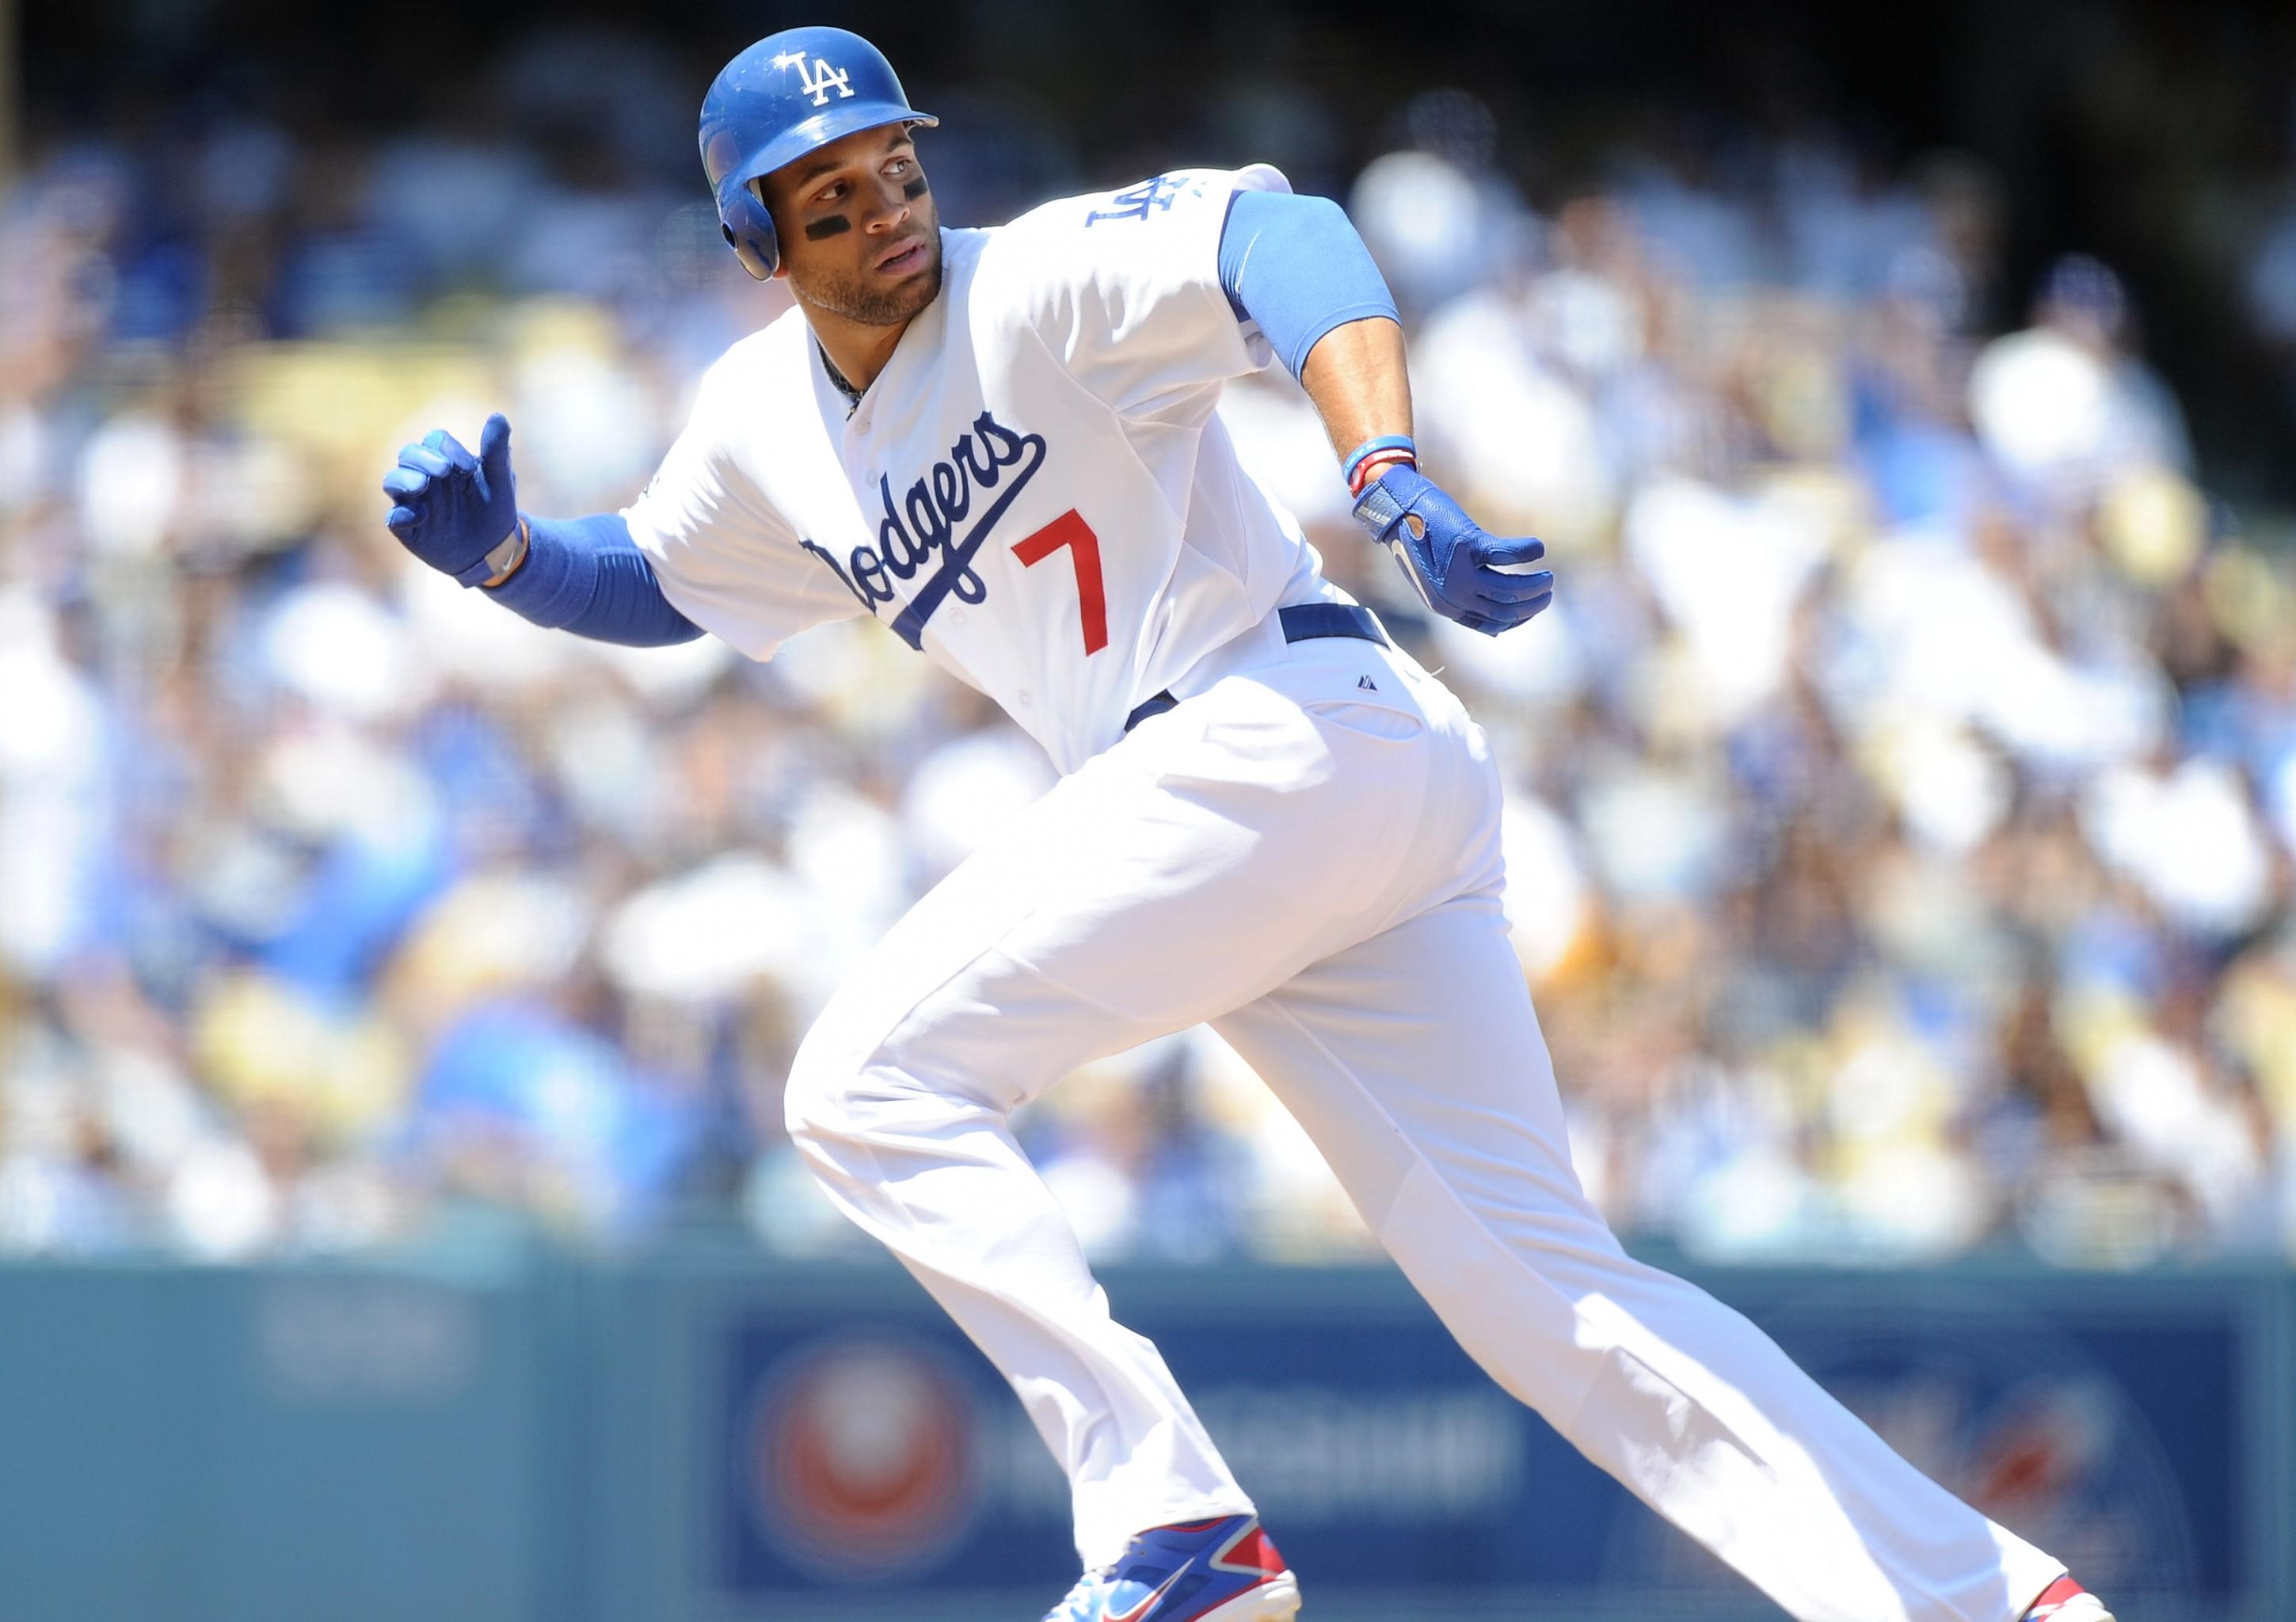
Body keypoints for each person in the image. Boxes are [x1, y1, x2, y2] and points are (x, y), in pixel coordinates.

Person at [379, 26, 2116, 1622]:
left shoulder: (1033, 283)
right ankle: (1992, 1603)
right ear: (758, 245)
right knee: (1553, 1311)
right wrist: (520, 566)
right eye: (828, 200)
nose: (883, 212)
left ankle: (1172, 1530)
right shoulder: (760, 424)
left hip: (1273, 734)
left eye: (897, 169)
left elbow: (1286, 244)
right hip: (1287, 816)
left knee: (862, 1085)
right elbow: (666, 580)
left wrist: (1382, 470)